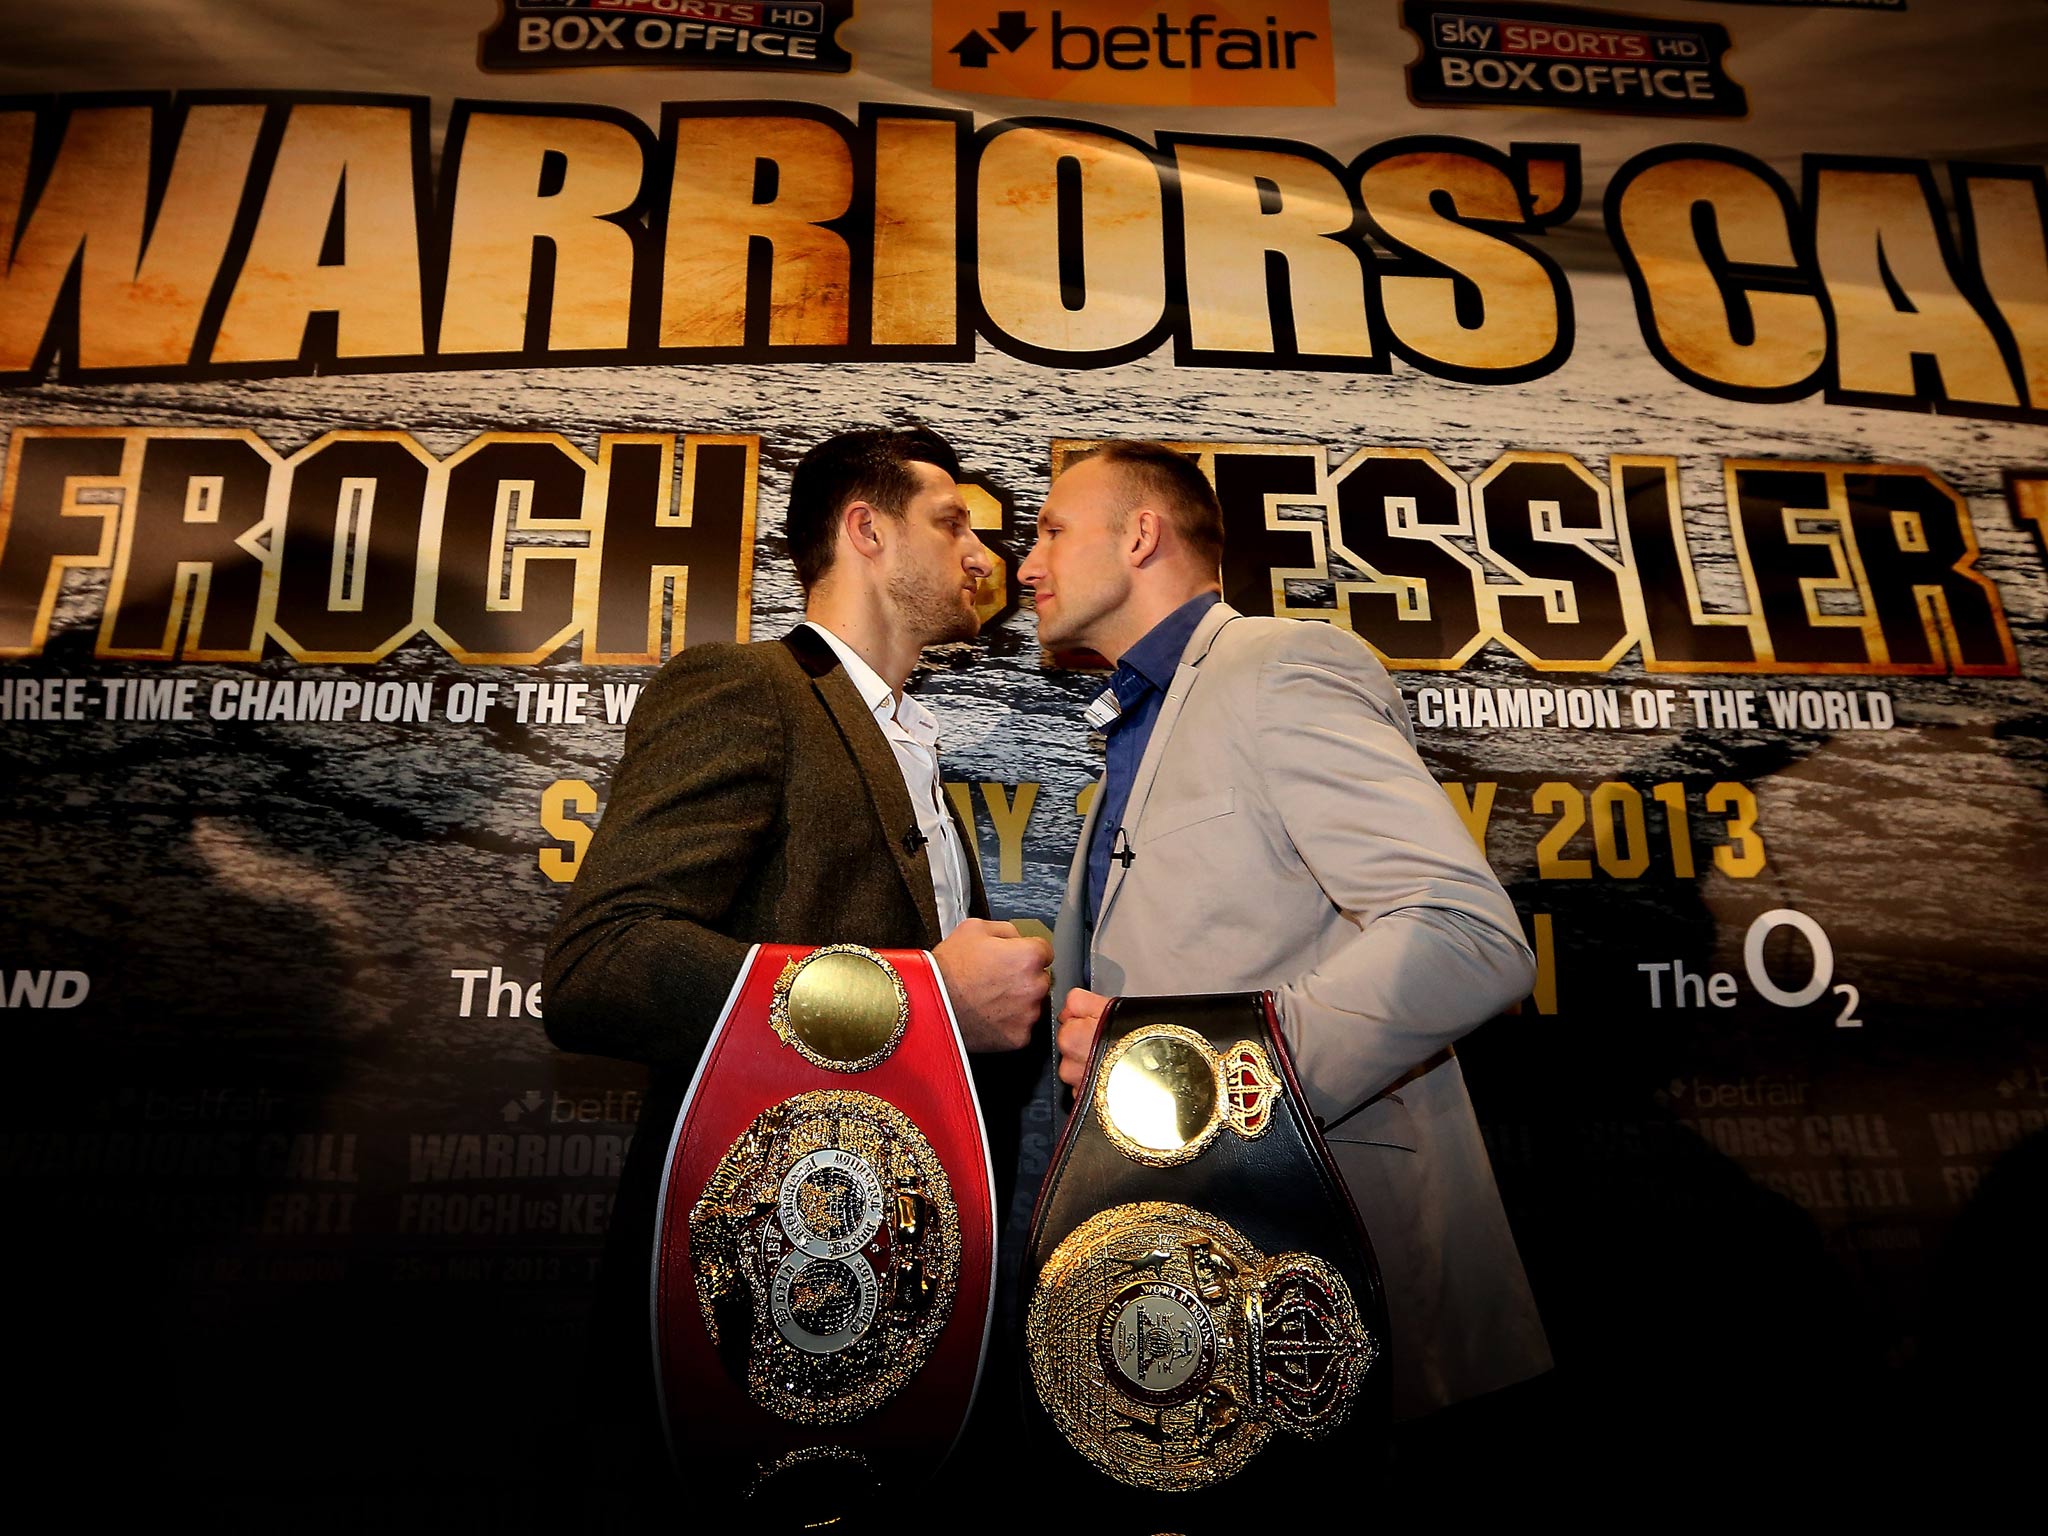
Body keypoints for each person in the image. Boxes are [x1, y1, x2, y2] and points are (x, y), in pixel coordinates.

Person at [543, 425, 1052, 1515]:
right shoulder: (746, 687)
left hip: (902, 1282)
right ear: (865, 532)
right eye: (950, 521)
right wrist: (924, 996)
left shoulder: (909, 743)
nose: (980, 554)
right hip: (761, 1283)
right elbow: (601, 962)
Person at [1017, 439, 1551, 1421]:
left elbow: (1467, 933)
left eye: (1050, 529)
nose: (1026, 564)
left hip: (1329, 1256)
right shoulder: (1132, 735)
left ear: (1140, 535)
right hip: (1192, 1273)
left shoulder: (1278, 668)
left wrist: (1187, 1067)